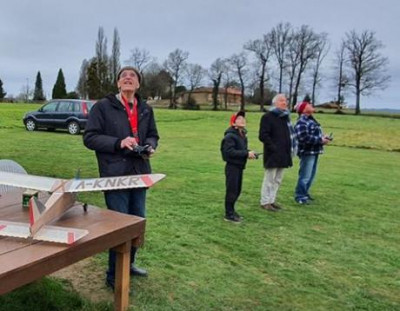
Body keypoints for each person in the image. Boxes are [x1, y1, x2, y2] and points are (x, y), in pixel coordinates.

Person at [83, 66, 159, 290]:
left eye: (133, 76)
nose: (128, 78)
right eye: (123, 76)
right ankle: (114, 275)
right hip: (114, 175)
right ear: (117, 84)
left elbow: (153, 134)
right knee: (119, 226)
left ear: (138, 85)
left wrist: (151, 146)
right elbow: (90, 138)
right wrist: (119, 143)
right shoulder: (103, 107)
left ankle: (130, 264)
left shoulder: (145, 109)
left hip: (140, 173)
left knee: (137, 222)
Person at [259, 94, 296, 211]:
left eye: (285, 101)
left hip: (284, 153)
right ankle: (265, 201)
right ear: (275, 103)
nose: (284, 103)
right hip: (273, 153)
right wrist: (273, 147)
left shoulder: (285, 118)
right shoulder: (267, 117)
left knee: (278, 180)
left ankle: (272, 200)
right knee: (270, 178)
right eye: (281, 101)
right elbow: (263, 135)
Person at [221, 111, 256, 223]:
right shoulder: (230, 136)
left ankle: (232, 211)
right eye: (239, 118)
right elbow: (228, 152)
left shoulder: (242, 135)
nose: (243, 120)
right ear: (233, 123)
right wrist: (246, 154)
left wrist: (249, 153)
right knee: (231, 191)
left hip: (240, 166)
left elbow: (240, 150)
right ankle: (229, 214)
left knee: (237, 190)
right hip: (232, 167)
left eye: (243, 118)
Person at [294, 98, 330, 204]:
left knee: (311, 175)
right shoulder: (302, 122)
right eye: (308, 105)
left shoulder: (311, 120)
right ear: (303, 109)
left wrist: (323, 137)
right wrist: (320, 140)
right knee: (305, 175)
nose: (311, 105)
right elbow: (303, 138)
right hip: (307, 152)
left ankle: (305, 193)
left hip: (314, 152)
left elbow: (312, 134)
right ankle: (300, 196)